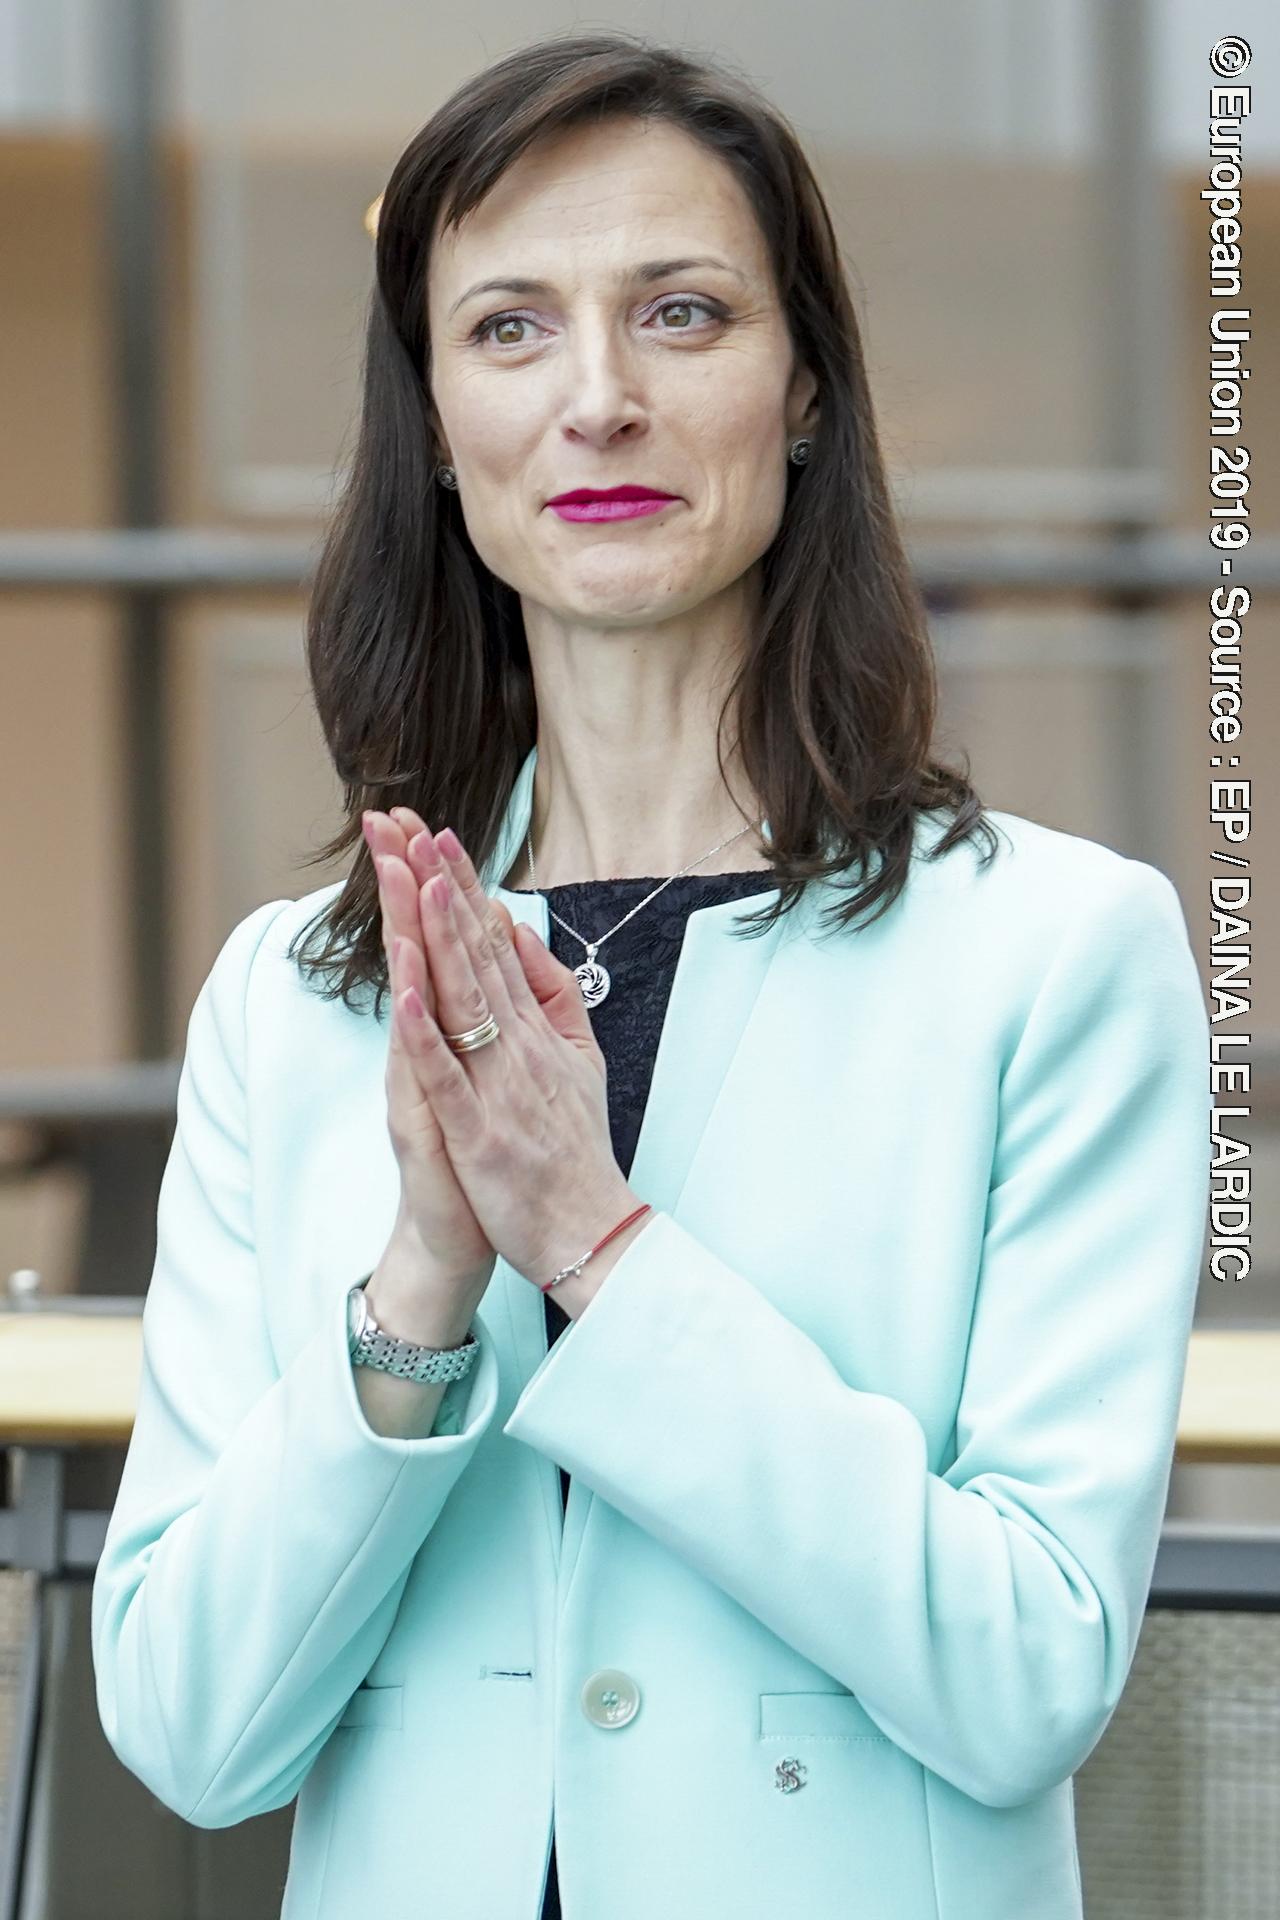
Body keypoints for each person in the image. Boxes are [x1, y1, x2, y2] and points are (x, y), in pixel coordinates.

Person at [90, 31, 1210, 1920]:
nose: (597, 399)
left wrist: (597, 1249)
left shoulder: (1052, 954)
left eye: (681, 314)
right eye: (509, 328)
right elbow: (192, 1734)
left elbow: (1029, 1675)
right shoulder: (291, 996)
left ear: (804, 387)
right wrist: (422, 1286)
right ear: (434, 416)